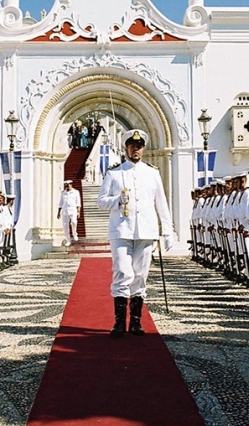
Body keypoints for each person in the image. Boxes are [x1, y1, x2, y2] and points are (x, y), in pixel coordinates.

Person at [97, 129, 173, 338]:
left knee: (140, 275)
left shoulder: (152, 173)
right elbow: (101, 201)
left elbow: (161, 203)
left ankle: (136, 322)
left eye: (139, 146)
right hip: (121, 230)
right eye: (132, 145)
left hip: (146, 230)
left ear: (143, 148)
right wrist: (116, 201)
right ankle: (119, 322)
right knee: (122, 272)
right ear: (126, 147)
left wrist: (167, 231)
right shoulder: (114, 173)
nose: (136, 149)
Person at [57, 180, 82, 246]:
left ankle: (74, 234)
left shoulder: (76, 192)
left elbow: (78, 202)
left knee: (74, 222)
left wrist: (78, 211)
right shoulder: (63, 193)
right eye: (66, 186)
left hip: (73, 209)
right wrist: (58, 212)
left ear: (71, 185)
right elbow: (61, 203)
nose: (67, 187)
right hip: (65, 210)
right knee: (65, 226)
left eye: (68, 186)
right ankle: (68, 240)